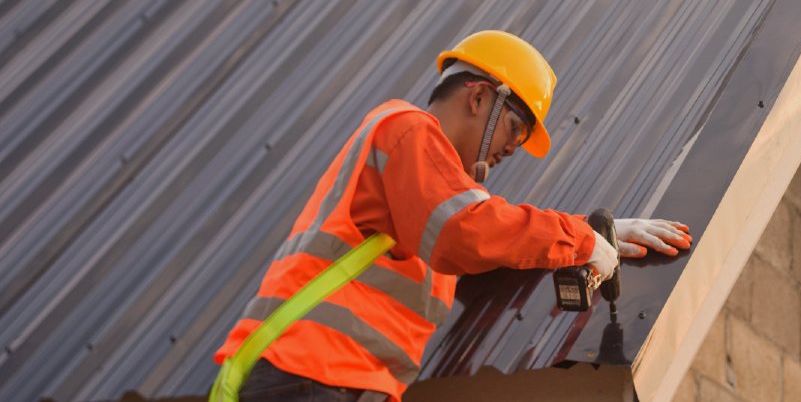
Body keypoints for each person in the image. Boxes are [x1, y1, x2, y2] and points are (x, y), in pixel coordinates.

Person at [213, 30, 691, 401]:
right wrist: (580, 240)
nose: (513, 148)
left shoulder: (424, 194)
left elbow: (488, 234)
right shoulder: (405, 128)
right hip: (312, 372)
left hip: (329, 378)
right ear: (480, 96)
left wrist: (590, 233)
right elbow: (469, 229)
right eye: (516, 127)